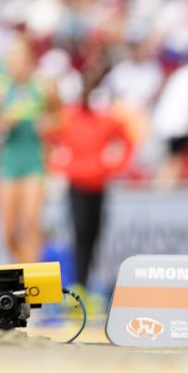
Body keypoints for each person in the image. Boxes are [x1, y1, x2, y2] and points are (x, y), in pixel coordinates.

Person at [50, 59, 136, 299]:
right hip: (77, 184)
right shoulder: (69, 117)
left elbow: (128, 140)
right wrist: (59, 164)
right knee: (79, 234)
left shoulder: (105, 118)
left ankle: (88, 285)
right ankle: (79, 286)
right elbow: (48, 136)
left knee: (95, 235)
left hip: (98, 185)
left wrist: (115, 165)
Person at [0, 34, 54, 265]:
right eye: (11, 56)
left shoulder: (43, 86)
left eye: (19, 56)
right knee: (7, 232)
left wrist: (47, 124)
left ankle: (31, 281)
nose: (15, 62)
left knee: (31, 224)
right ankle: (20, 269)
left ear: (29, 58)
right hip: (8, 163)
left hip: (34, 161)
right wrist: (4, 123)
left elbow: (62, 118)